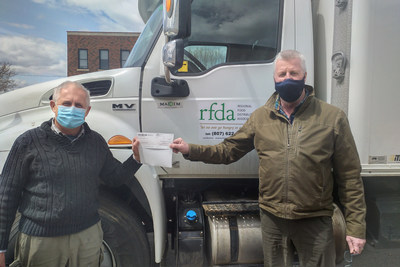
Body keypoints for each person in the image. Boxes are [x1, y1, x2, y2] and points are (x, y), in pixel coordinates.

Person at [170, 50, 367, 267]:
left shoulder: (332, 118)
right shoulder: (260, 118)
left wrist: (356, 228)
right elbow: (228, 151)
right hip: (273, 219)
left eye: (294, 73)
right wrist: (190, 149)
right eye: (282, 74)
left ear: (305, 76)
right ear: (274, 79)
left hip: (315, 219)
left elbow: (350, 178)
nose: (287, 78)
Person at [0, 81, 141, 267]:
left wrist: (136, 159)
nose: (72, 109)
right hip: (42, 241)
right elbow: (6, 197)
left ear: (87, 111)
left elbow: (114, 177)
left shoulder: (96, 142)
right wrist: (1, 248)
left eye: (79, 105)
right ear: (53, 106)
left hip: (88, 238)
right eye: (66, 103)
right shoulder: (28, 142)